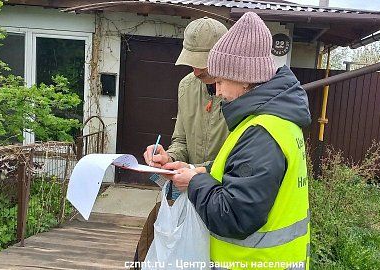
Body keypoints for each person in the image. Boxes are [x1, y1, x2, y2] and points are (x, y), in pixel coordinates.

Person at [169, 12, 312, 268]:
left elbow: (233, 215)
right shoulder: (268, 119)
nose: (219, 91)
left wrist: (195, 181)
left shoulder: (262, 131)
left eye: (221, 80)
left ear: (244, 77)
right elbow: (241, 169)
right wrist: (202, 170)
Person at [133, 17, 229, 264]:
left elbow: (241, 158)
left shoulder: (239, 93)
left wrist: (197, 171)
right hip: (187, 196)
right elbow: (180, 140)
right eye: (192, 63)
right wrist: (169, 156)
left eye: (203, 64)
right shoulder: (186, 85)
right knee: (150, 251)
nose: (197, 71)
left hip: (223, 199)